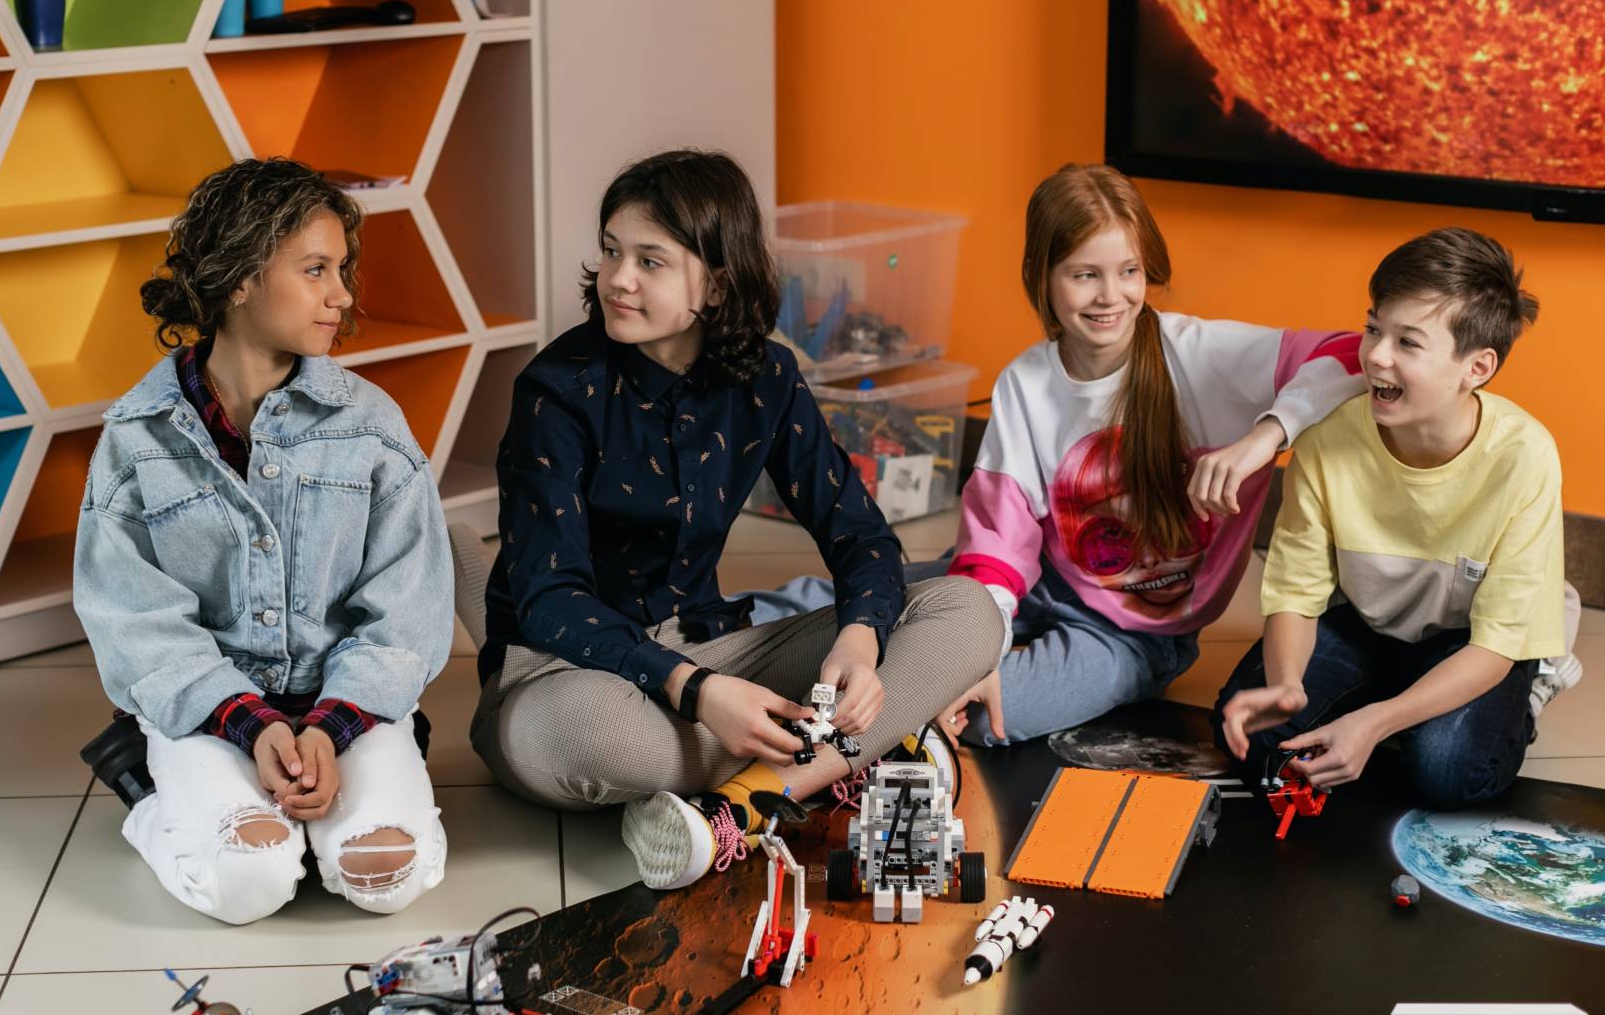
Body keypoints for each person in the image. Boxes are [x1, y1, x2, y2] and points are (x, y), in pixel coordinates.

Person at [470, 149, 1003, 891]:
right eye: (613, 251)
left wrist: (860, 637)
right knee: (597, 736)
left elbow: (860, 534)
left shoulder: (767, 379)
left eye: (651, 261)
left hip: (715, 651)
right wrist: (698, 694)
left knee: (968, 611)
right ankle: (837, 752)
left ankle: (750, 799)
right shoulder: (556, 391)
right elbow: (549, 598)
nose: (618, 279)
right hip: (569, 673)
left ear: (717, 281)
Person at [749, 163, 1365, 746]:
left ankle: (840, 704)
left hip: (1129, 635)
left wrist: (1265, 437)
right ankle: (719, 639)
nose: (1111, 296)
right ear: (1042, 277)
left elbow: (1353, 353)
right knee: (860, 603)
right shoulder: (1025, 383)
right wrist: (975, 649)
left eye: (1129, 271)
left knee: (976, 718)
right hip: (1030, 576)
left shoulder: (1206, 355)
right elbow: (997, 549)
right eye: (1084, 274)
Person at [75, 158, 453, 924]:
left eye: (340, 270)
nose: (341, 296)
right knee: (250, 888)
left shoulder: (371, 425)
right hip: (212, 706)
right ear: (239, 279)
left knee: (387, 879)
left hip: (346, 698)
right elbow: (132, 621)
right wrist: (249, 724)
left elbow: (407, 609)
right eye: (315, 270)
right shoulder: (134, 438)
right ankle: (148, 793)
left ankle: (357, 779)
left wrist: (335, 723)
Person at [1213, 227, 1583, 807]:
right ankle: (1387, 694)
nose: (1375, 356)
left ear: (1477, 368)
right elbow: (1296, 591)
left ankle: (1532, 681)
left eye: (1408, 343)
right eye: (1373, 328)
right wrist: (1286, 685)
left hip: (1473, 643)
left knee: (1447, 769)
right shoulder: (1329, 439)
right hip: (1369, 623)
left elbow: (1494, 644)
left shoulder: (1525, 456)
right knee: (1253, 737)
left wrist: (1377, 723)